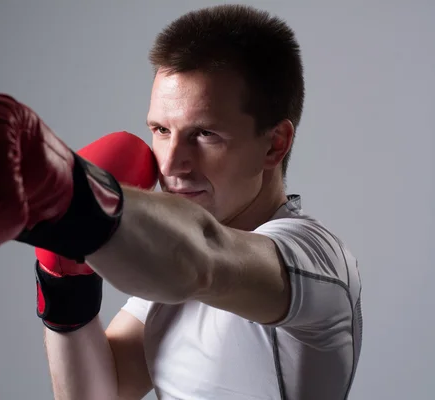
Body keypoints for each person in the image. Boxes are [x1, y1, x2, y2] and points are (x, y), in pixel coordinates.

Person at [42, 4, 363, 400]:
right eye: (161, 129)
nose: (172, 162)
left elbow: (204, 261)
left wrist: (74, 202)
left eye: (206, 134)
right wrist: (63, 285)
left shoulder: (314, 257)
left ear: (274, 143)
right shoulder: (166, 271)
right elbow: (98, 395)